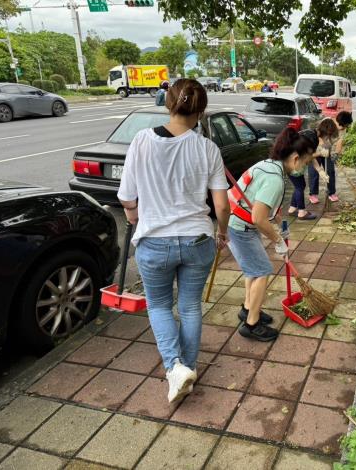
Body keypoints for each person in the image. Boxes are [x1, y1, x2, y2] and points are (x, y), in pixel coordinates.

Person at [118, 78, 230, 404]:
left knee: (159, 306)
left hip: (154, 242)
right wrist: (221, 232)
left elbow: (127, 197)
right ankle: (187, 369)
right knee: (190, 307)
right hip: (198, 239)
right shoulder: (208, 148)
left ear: (168, 104)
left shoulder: (141, 141)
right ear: (202, 110)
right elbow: (222, 206)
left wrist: (133, 215)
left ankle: (174, 367)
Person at [228, 128, 318, 341]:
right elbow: (258, 218)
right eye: (305, 163)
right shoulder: (275, 179)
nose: (304, 168)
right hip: (241, 228)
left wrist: (279, 222)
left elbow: (263, 205)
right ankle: (251, 324)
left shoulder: (268, 165)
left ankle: (248, 308)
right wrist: (278, 240)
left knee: (253, 270)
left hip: (237, 224)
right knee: (261, 271)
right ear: (295, 158)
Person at [308, 118, 340, 204]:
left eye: (329, 134)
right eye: (326, 134)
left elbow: (335, 143)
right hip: (315, 152)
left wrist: (333, 153)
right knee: (314, 172)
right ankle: (313, 194)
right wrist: (320, 148)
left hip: (326, 151)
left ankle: (331, 192)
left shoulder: (334, 131)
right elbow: (310, 154)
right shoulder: (316, 131)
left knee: (330, 171)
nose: (328, 135)